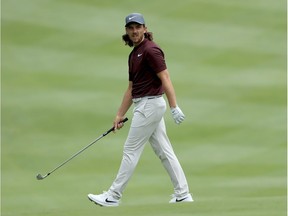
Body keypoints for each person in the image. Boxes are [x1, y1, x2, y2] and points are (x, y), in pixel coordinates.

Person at [88, 13, 193, 207]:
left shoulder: (151, 51)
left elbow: (166, 78)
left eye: (138, 27)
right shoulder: (134, 54)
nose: (134, 31)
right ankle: (183, 194)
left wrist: (174, 106)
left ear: (145, 28)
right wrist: (120, 114)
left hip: (149, 106)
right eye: (130, 28)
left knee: (130, 150)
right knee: (164, 150)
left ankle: (113, 196)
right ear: (126, 31)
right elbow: (131, 89)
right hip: (145, 105)